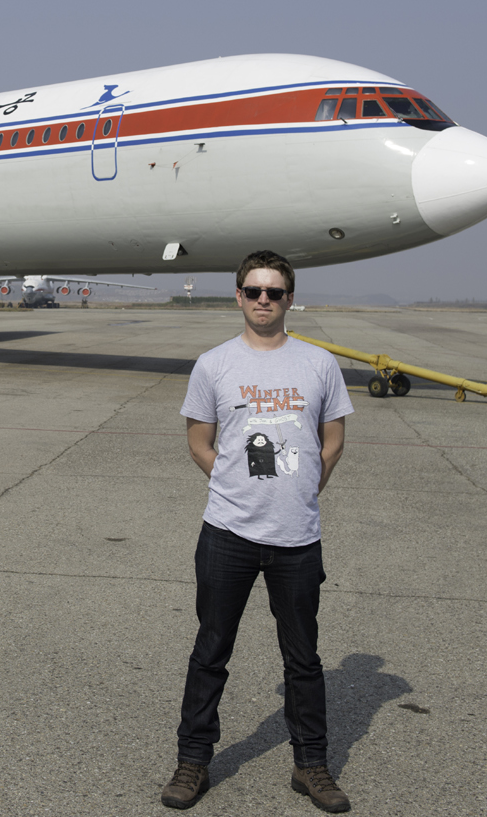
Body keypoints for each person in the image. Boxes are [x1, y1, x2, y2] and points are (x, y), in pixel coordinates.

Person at [161, 250, 354, 813]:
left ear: (290, 298)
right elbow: (200, 441)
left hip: (297, 537)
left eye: (273, 292)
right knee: (211, 650)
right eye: (253, 291)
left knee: (304, 658)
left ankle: (311, 764)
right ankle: (193, 760)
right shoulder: (214, 364)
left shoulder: (318, 364)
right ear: (238, 296)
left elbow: (333, 440)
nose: (263, 300)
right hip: (228, 533)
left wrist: (300, 491)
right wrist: (235, 487)